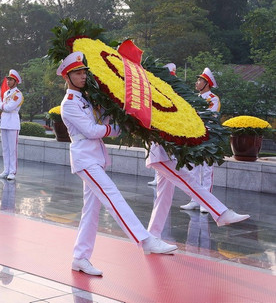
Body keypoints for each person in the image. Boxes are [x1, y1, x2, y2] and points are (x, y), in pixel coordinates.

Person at [57, 51, 177, 277]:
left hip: (95, 157)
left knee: (91, 211)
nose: (83, 76)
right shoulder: (69, 103)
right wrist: (115, 130)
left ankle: (80, 257)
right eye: (78, 73)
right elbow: (92, 130)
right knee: (113, 195)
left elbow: (103, 118)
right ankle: (145, 240)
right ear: (67, 77)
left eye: (84, 72)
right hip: (85, 158)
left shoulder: (85, 98)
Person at [146, 143, 249, 238]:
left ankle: (152, 236)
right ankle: (220, 212)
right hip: (160, 153)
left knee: (164, 197)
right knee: (187, 180)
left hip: (165, 152)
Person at [181, 67, 220, 212]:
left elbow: (209, 116)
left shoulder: (213, 99)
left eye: (200, 80)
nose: (197, 82)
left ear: (207, 83)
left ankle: (206, 201)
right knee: (193, 169)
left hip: (207, 137)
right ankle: (195, 199)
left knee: (206, 169)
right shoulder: (195, 98)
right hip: (194, 135)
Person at [0, 70, 23, 180]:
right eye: (7, 80)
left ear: (15, 82)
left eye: (10, 80)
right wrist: (2, 105)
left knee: (12, 149)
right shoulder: (6, 93)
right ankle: (6, 170)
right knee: (5, 148)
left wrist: (0, 104)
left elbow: (9, 107)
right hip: (5, 122)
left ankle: (12, 171)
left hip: (13, 123)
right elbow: (5, 107)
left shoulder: (18, 94)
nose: (8, 82)